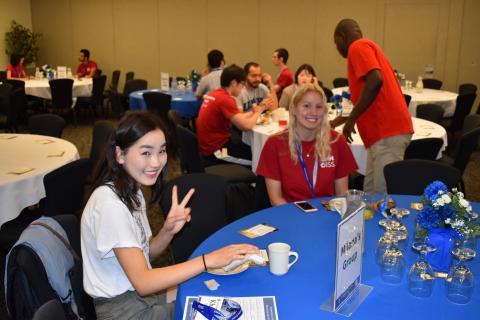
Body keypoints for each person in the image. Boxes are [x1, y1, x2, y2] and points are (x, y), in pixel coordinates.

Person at [81, 111, 258, 319]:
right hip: (124, 310)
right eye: (146, 152)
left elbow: (145, 255)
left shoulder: (131, 190)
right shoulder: (110, 205)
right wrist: (207, 260)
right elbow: (144, 282)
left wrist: (167, 230)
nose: (156, 162)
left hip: (138, 296)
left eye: (161, 151)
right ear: (120, 154)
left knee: (214, 291)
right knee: (223, 312)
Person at [332, 18, 413, 194]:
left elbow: (375, 80)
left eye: (335, 42)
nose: (337, 48)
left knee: (380, 198)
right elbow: (364, 99)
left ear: (342, 36)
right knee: (369, 195)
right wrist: (332, 124)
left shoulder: (358, 47)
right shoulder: (366, 47)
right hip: (381, 136)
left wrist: (351, 120)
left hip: (387, 133)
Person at [256, 84, 358, 205]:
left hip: (328, 213)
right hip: (290, 213)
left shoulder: (336, 141)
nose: (313, 112)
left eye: (319, 107)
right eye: (306, 106)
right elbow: (276, 199)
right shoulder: (275, 144)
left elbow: (342, 194)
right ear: (293, 108)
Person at [196, 64, 267, 164]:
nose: (242, 88)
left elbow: (238, 117)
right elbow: (246, 126)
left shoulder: (216, 93)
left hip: (211, 145)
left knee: (252, 151)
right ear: (234, 83)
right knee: (258, 159)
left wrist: (253, 112)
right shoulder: (225, 99)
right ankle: (252, 179)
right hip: (217, 151)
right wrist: (258, 111)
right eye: (242, 84)